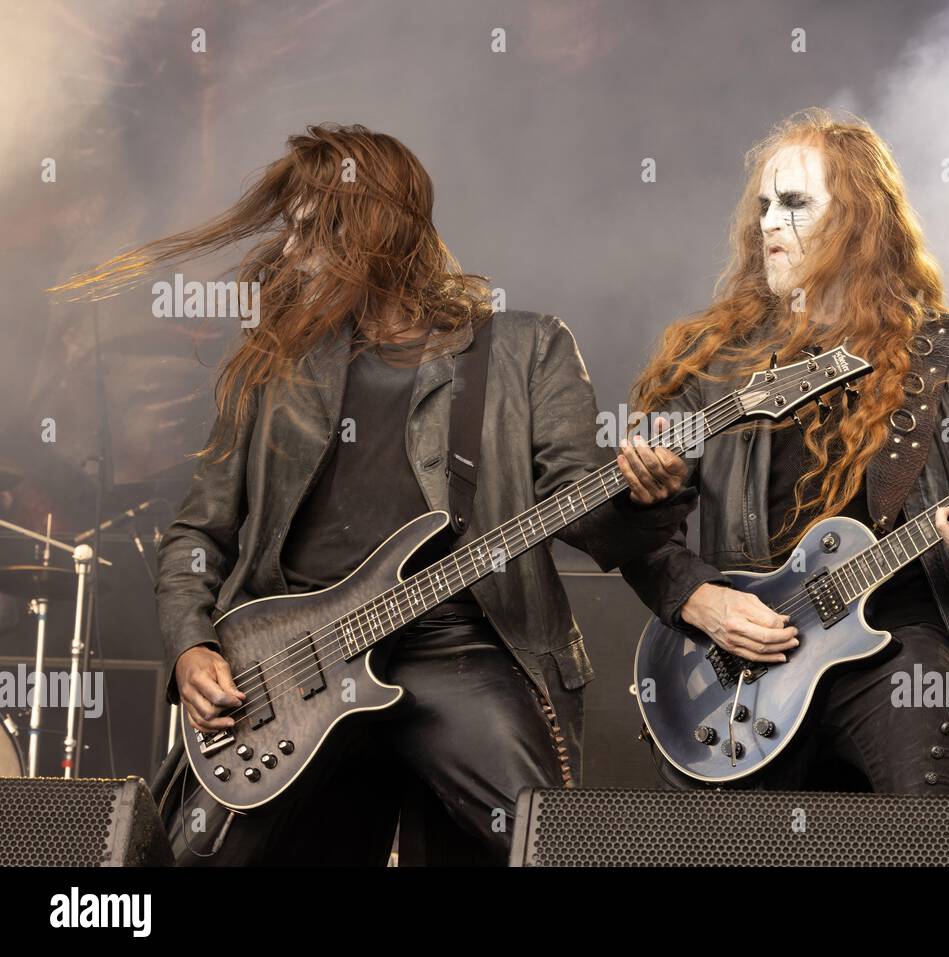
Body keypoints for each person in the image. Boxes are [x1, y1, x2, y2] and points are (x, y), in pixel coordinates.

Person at [52, 123, 691, 864]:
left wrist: (644, 495)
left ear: (370, 232)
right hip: (295, 665)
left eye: (308, 234)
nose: (290, 253)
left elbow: (592, 520)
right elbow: (197, 535)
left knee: (542, 844)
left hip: (460, 648)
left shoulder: (524, 347)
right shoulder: (272, 365)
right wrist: (192, 644)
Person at [621, 109, 949, 796]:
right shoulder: (711, 359)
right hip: (749, 652)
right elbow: (628, 528)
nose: (769, 224)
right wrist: (696, 597)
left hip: (895, 639)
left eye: (795, 204)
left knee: (938, 825)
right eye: (764, 207)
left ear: (860, 220)